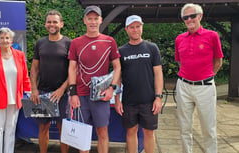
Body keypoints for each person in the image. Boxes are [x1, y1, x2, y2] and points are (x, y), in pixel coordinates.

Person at [68, 5, 121, 153]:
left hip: (101, 97)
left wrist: (112, 88)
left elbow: (117, 67)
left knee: (102, 133)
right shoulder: (76, 42)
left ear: (101, 20)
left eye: (95, 18)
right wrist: (73, 93)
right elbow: (72, 68)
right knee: (82, 135)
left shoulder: (109, 41)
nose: (93, 22)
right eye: (89, 18)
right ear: (84, 20)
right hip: (81, 96)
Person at [175, 3, 223, 153]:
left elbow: (218, 61)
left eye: (192, 16)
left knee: (208, 128)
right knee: (184, 127)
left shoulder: (212, 36)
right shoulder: (179, 39)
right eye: (185, 17)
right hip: (183, 86)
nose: (189, 19)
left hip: (205, 87)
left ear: (200, 16)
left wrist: (206, 76)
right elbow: (179, 61)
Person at [114, 15, 163, 153]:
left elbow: (158, 74)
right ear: (126, 29)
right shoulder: (121, 51)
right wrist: (117, 99)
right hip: (129, 101)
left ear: (142, 27)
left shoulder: (152, 48)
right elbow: (118, 78)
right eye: (132, 27)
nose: (135, 30)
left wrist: (158, 97)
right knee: (131, 132)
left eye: (137, 26)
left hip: (149, 100)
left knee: (149, 132)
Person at [0, 27, 31, 153]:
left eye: (7, 38)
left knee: (11, 129)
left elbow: (25, 76)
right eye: (2, 38)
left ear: (11, 39)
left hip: (15, 99)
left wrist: (29, 92)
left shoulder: (19, 55)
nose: (5, 40)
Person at [30, 10, 71, 153]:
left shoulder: (69, 43)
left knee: (63, 129)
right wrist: (34, 89)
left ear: (61, 24)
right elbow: (34, 69)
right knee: (43, 127)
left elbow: (74, 71)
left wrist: (61, 90)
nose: (52, 24)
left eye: (55, 22)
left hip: (63, 95)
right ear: (45, 24)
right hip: (43, 92)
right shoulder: (40, 42)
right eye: (49, 22)